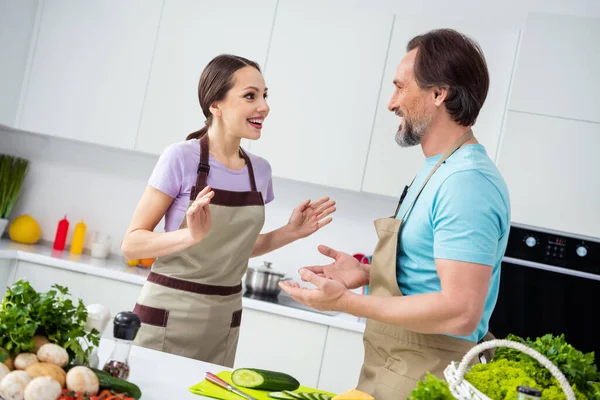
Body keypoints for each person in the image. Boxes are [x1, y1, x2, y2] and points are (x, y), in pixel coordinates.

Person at [280, 28, 511, 399]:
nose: (391, 102)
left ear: (439, 93)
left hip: (428, 377)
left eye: (401, 87)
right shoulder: (438, 169)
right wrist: (369, 273)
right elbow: (433, 276)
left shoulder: (467, 183)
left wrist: (343, 302)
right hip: (394, 368)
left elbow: (460, 310)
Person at [121, 54, 336, 367]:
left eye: (264, 96)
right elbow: (132, 244)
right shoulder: (181, 158)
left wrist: (291, 232)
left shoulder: (259, 171)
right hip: (169, 312)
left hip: (224, 318)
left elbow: (239, 247)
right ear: (216, 105)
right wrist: (189, 236)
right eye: (250, 96)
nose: (263, 106)